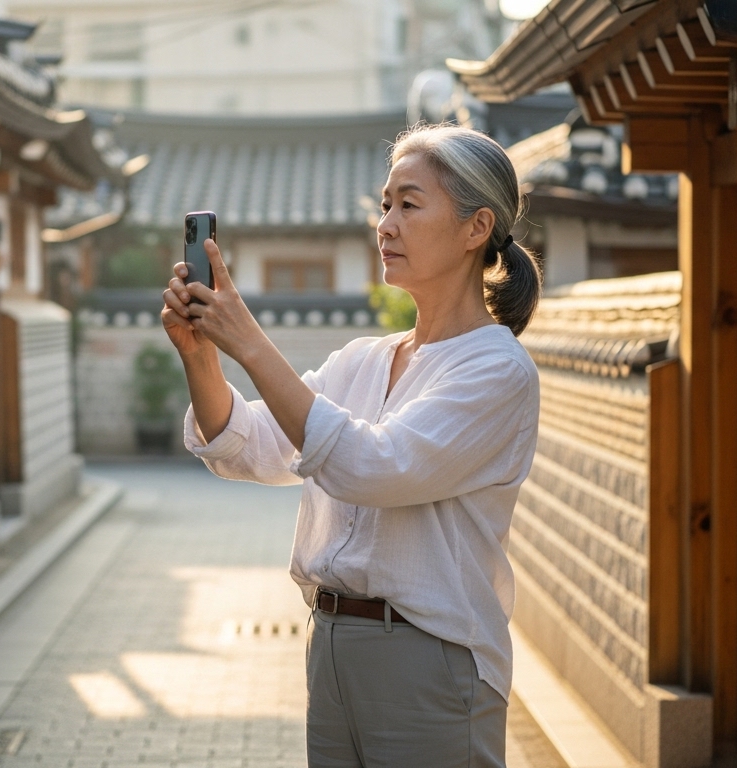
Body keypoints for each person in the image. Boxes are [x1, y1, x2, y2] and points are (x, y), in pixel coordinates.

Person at [160, 123, 542, 767]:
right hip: (332, 645)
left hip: (429, 657)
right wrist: (201, 356)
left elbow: (374, 467)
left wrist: (250, 341)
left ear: (477, 227)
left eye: (409, 204)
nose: (385, 224)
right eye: (385, 203)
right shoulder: (364, 360)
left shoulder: (496, 370)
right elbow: (246, 445)